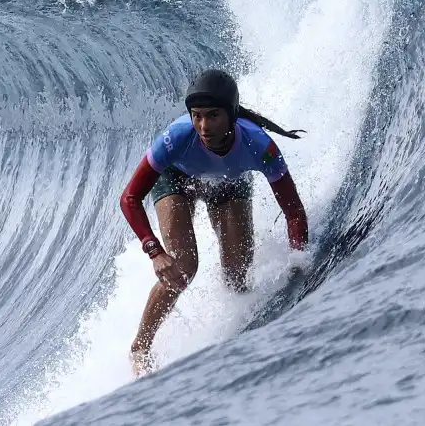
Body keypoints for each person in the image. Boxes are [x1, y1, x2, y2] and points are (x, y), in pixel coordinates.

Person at [119, 68, 310, 376]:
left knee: (237, 275)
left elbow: (293, 212)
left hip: (229, 183)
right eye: (196, 115)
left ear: (231, 115)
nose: (203, 126)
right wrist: (154, 251)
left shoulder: (259, 144)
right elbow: (129, 198)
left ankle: (236, 340)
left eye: (213, 116)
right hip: (177, 180)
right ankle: (140, 348)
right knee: (182, 269)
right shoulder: (176, 138)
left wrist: (299, 260)